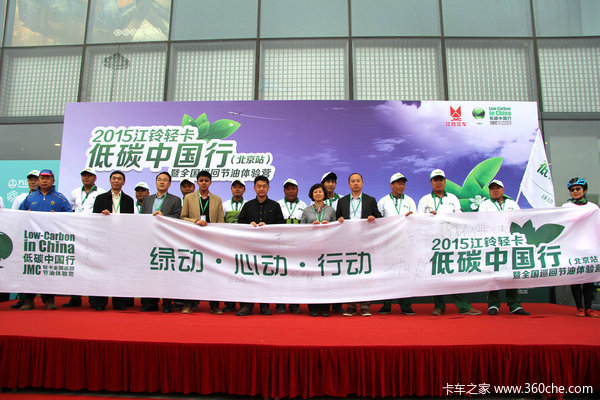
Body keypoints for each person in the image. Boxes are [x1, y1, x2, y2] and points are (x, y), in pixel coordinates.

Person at [418, 169, 481, 316]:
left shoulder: (452, 198)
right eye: (435, 180)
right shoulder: (424, 200)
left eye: (441, 179)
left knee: (454, 274)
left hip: (451, 242)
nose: (438, 182)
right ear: (431, 182)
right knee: (436, 275)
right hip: (432, 243)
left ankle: (464, 306)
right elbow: (419, 220)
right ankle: (439, 306)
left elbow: (459, 217)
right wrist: (428, 217)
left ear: (445, 182)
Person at [18, 169, 73, 310]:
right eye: (42, 178)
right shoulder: (30, 197)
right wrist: (25, 214)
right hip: (32, 241)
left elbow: (70, 216)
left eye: (47, 178)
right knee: (31, 270)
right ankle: (28, 300)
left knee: (48, 270)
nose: (44, 181)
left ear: (53, 181)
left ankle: (49, 299)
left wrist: (58, 216)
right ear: (38, 180)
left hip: (51, 241)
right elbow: (18, 214)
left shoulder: (60, 198)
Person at [478, 179, 530, 316]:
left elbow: (520, 220)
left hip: (510, 243)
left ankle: (515, 305)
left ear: (503, 190)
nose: (495, 190)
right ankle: (493, 305)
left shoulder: (512, 204)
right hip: (492, 244)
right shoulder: (485, 205)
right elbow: (480, 223)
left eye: (498, 188)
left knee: (511, 274)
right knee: (493, 275)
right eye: (492, 188)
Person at [236, 175, 285, 316]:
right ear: (254, 188)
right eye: (259, 186)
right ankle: (247, 306)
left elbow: (281, 225)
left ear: (268, 188)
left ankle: (265, 305)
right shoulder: (248, 205)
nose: (261, 189)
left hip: (268, 248)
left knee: (266, 276)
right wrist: (248, 225)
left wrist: (268, 227)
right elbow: (240, 223)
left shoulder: (275, 206)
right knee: (248, 276)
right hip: (250, 248)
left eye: (264, 186)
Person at [336, 172, 382, 317]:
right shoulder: (342, 201)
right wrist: (339, 220)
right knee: (349, 273)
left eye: (358, 181)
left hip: (365, 241)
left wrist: (373, 218)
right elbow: (337, 219)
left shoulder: (370, 200)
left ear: (362, 183)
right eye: (353, 181)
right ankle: (351, 306)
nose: (355, 183)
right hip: (348, 241)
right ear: (349, 184)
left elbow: (380, 218)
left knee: (365, 273)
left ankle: (365, 306)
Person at [180, 170, 225, 314]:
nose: (204, 183)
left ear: (210, 182)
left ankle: (214, 305)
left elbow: (220, 222)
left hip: (211, 241)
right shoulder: (189, 198)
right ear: (197, 182)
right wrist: (195, 221)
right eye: (201, 180)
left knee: (213, 274)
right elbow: (182, 217)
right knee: (192, 272)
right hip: (193, 240)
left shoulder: (217, 199)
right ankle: (189, 304)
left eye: (206, 180)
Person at [91, 171, 135, 311]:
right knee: (101, 270)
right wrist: (101, 215)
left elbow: (130, 221)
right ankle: (100, 302)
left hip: (121, 239)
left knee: (119, 271)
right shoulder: (100, 198)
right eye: (114, 178)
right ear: (110, 181)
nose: (116, 181)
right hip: (104, 239)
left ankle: (119, 302)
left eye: (119, 179)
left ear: (124, 182)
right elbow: (94, 219)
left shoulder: (129, 200)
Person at [64, 167, 106, 308]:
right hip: (76, 233)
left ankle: (94, 299)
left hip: (93, 234)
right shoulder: (75, 192)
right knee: (76, 265)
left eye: (89, 175)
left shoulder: (101, 193)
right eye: (84, 175)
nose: (86, 178)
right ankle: (75, 298)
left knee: (93, 265)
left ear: (95, 178)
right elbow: (69, 209)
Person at [140, 172, 182, 313]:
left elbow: (177, 217)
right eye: (159, 180)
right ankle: (149, 302)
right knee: (148, 271)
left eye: (165, 180)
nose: (162, 182)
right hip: (149, 239)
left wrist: (164, 217)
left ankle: (167, 303)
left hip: (166, 240)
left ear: (169, 184)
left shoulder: (175, 200)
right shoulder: (147, 200)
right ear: (156, 182)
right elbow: (141, 218)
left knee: (166, 271)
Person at [377, 172, 417, 315]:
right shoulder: (383, 201)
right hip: (388, 243)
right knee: (388, 273)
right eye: (398, 183)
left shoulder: (410, 201)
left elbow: (416, 219)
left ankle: (405, 305)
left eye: (403, 183)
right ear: (391, 185)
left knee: (405, 273)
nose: (401, 186)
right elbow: (378, 222)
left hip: (405, 242)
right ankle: (386, 305)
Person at [562, 177, 599, 318]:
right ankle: (579, 308)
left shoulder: (593, 208)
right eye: (572, 190)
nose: (575, 191)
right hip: (573, 246)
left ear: (585, 190)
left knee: (589, 277)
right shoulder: (566, 207)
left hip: (590, 246)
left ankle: (589, 308)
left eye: (578, 189)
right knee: (576, 278)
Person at [301, 183, 337, 317]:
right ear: (312, 194)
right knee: (312, 277)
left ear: (324, 194)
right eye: (315, 191)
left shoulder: (331, 210)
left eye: (320, 191)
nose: (318, 194)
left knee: (326, 278)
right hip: (311, 248)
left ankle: (325, 307)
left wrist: (329, 225)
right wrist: (311, 225)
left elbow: (336, 229)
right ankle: (313, 307)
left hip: (327, 248)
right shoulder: (306, 210)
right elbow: (300, 229)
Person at [275, 178, 307, 314]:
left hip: (298, 245)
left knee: (296, 274)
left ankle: (295, 304)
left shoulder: (304, 205)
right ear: (284, 191)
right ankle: (280, 304)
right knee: (280, 274)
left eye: (293, 189)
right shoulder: (278, 204)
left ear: (297, 190)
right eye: (288, 189)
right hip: (281, 244)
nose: (290, 191)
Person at [10, 170, 41, 309]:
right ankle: (23, 298)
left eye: (35, 179)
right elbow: (12, 216)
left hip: (41, 239)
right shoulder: (21, 198)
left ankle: (46, 298)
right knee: (23, 268)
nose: (32, 182)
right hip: (23, 237)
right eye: (30, 179)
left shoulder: (48, 197)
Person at [321, 171, 345, 314]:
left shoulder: (342, 199)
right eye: (328, 182)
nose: (330, 184)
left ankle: (337, 304)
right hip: (322, 241)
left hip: (339, 240)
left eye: (333, 182)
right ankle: (324, 304)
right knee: (324, 272)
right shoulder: (317, 199)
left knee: (338, 272)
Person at [221, 179, 246, 312]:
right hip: (228, 244)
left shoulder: (248, 205)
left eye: (240, 187)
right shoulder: (224, 205)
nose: (237, 189)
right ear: (231, 189)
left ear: (244, 190)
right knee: (229, 273)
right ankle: (229, 303)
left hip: (243, 244)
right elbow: (220, 223)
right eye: (234, 187)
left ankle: (243, 302)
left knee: (243, 273)